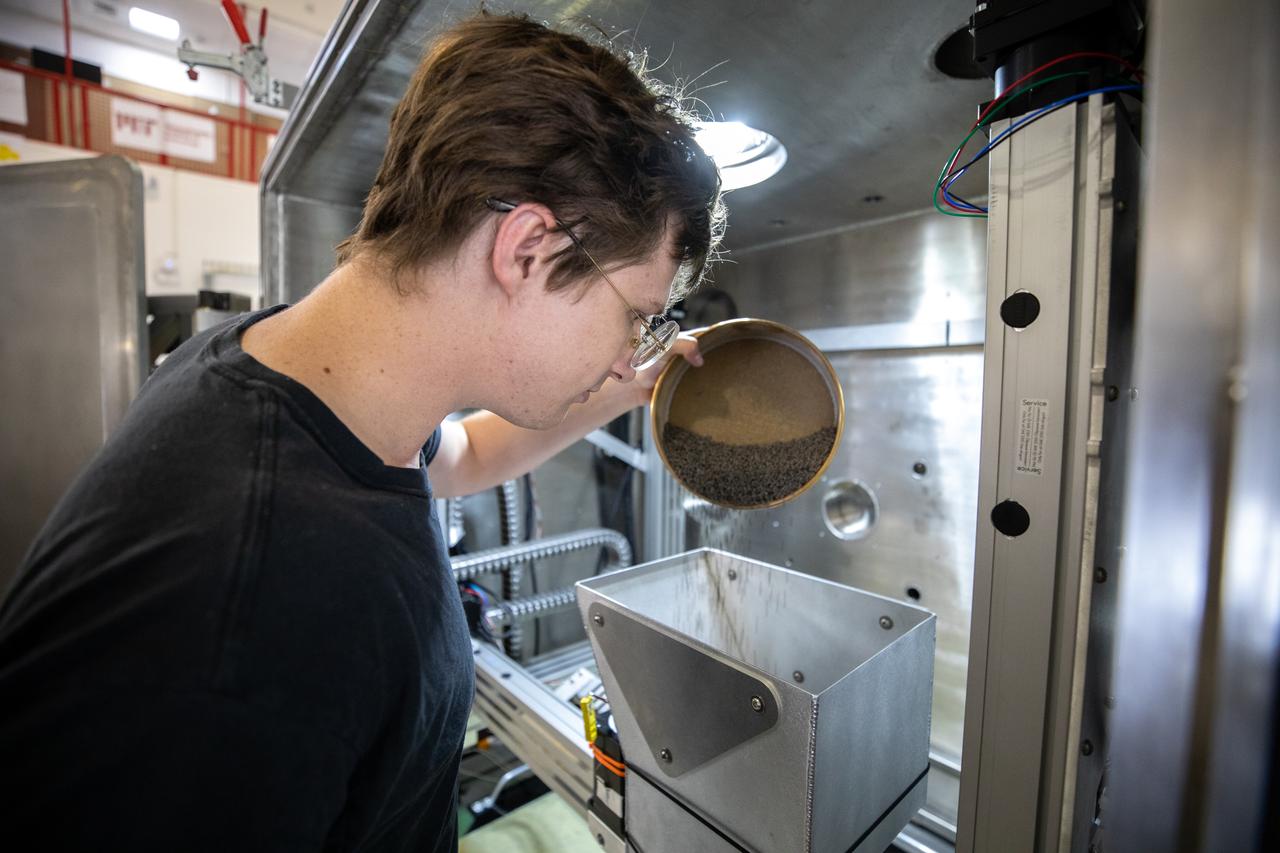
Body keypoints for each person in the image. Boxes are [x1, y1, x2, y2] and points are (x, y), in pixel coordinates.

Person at [0, 10, 724, 852]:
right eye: (633, 318)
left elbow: (461, 456)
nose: (621, 353)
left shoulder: (316, 388)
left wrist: (621, 393)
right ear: (526, 248)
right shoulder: (256, 596)